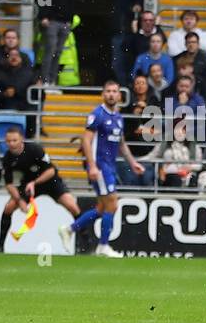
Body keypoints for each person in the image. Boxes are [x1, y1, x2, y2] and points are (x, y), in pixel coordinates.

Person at [62, 81, 145, 257]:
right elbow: (86, 140)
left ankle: (69, 229)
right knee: (113, 203)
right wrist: (92, 166)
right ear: (103, 94)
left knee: (102, 208)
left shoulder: (118, 117)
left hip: (110, 165)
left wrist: (132, 163)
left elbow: (121, 143)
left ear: (119, 96)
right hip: (99, 166)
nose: (111, 94)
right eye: (108, 91)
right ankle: (103, 245)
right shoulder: (97, 114)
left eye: (115, 91)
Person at [34, 0, 74, 84]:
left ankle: (52, 81)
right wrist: (43, 17)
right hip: (50, 21)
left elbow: (70, 0)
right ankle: (45, 81)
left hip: (64, 23)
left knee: (58, 53)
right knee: (49, 51)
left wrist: (69, 20)